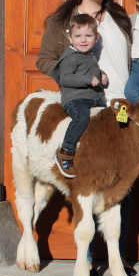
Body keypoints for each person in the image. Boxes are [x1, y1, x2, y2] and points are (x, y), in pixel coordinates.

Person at [36, 0, 134, 276]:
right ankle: (87, 255)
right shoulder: (63, 19)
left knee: (122, 177)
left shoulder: (119, 17)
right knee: (90, 178)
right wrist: (71, 83)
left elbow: (132, 55)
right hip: (90, 106)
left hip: (121, 104)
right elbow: (45, 60)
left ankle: (118, 255)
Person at [49, 14, 108, 178]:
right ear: (70, 38)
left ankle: (98, 153)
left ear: (95, 38)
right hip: (75, 99)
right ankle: (66, 152)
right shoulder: (70, 57)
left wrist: (102, 75)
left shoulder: (89, 55)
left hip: (92, 99)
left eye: (88, 36)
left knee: (108, 118)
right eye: (78, 36)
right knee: (81, 117)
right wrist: (88, 79)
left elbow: (90, 71)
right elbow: (66, 78)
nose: (83, 40)